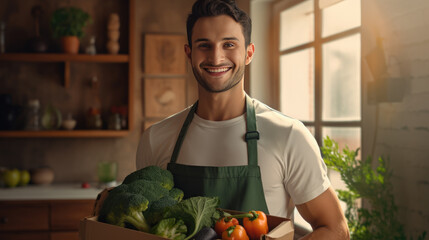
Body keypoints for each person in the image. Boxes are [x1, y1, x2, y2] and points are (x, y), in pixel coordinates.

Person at [136, 0, 349, 239]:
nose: (216, 57)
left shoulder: (288, 135)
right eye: (204, 45)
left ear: (248, 53)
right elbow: (141, 224)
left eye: (228, 44)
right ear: (189, 53)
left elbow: (335, 230)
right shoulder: (156, 138)